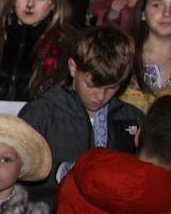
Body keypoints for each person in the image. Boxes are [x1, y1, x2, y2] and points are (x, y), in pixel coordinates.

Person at [19, 25, 144, 203]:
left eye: (112, 88)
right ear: (73, 67)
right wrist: (60, 172)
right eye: (91, 85)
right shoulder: (42, 113)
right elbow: (15, 172)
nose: (100, 97)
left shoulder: (131, 118)